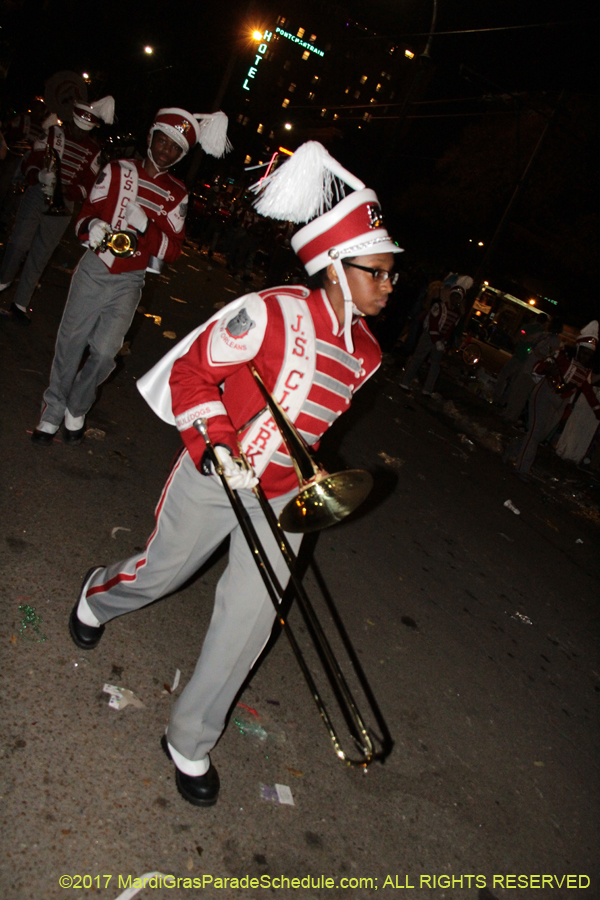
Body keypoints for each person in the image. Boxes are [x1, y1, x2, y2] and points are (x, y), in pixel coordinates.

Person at [67, 141, 402, 807]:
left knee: (250, 621)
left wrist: (311, 470)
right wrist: (218, 444)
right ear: (336, 267)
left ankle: (190, 739)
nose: (391, 285)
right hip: (218, 473)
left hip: (285, 498)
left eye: (392, 275)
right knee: (162, 573)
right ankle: (97, 594)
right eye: (379, 272)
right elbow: (195, 371)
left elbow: (310, 417)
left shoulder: (366, 353)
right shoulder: (275, 310)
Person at [30, 107, 231, 447]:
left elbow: (173, 250)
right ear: (151, 137)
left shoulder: (178, 194)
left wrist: (146, 227)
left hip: (131, 278)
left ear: (181, 155)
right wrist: (91, 227)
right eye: (162, 141)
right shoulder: (118, 169)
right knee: (70, 343)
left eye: (174, 148)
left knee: (107, 352)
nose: (165, 150)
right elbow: (86, 215)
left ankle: (77, 405)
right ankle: (52, 411)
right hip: (95, 267)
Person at [0, 97, 115, 324]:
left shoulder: (93, 150)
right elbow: (31, 159)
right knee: (19, 243)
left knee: (41, 254)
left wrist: (69, 191)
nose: (79, 134)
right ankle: (3, 280)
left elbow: (90, 184)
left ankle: (20, 303)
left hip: (63, 205)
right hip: (37, 194)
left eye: (85, 131)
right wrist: (39, 174)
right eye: (77, 128)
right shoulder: (53, 134)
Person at [505, 321, 600, 481]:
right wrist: (547, 368)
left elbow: (587, 390)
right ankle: (522, 468)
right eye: (583, 352)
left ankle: (513, 450)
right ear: (578, 348)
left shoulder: (586, 369)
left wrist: (597, 410)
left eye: (588, 354)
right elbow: (538, 367)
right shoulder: (562, 355)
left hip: (560, 403)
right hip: (545, 393)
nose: (585, 357)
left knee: (539, 435)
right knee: (535, 432)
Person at [400, 273, 472, 395]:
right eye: (454, 296)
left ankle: (427, 389)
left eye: (458, 297)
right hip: (429, 336)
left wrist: (444, 341)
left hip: (440, 339)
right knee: (418, 358)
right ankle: (405, 381)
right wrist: (437, 340)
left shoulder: (456, 314)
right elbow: (433, 324)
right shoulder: (439, 307)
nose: (455, 299)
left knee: (435, 365)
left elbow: (450, 329)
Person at [493, 312, 548, 404]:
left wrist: (522, 340)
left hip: (518, 355)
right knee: (514, 383)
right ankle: (505, 401)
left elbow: (515, 340)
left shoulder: (526, 327)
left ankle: (497, 397)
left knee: (503, 375)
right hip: (527, 360)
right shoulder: (543, 334)